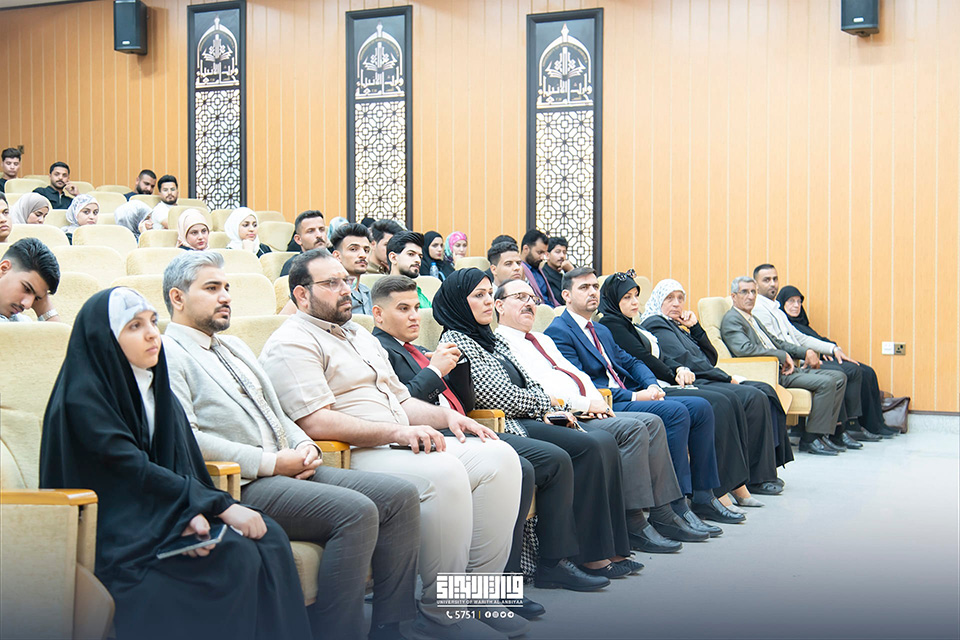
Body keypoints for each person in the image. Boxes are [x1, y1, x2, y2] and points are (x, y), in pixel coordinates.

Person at [258, 248, 524, 640]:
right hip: (349, 455)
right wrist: (397, 433)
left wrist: (448, 418)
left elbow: (402, 402)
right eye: (331, 283)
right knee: (445, 471)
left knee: (501, 458)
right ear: (301, 294)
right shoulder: (291, 341)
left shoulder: (360, 335)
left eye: (346, 281)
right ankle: (441, 614)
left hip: (396, 443)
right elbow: (313, 421)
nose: (345, 289)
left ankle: (477, 597)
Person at [161, 252, 421, 640]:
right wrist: (271, 463)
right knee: (356, 512)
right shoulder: (168, 353)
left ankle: (389, 626)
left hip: (288, 465)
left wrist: (304, 444)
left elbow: (277, 412)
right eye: (212, 288)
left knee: (400, 496)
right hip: (240, 483)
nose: (226, 296)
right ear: (177, 298)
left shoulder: (234, 347)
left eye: (227, 287)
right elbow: (188, 439)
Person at [39, 287, 312, 640]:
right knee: (233, 557)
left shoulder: (155, 386)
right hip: (115, 529)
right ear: (105, 338)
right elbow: (128, 470)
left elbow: (181, 461)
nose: (152, 334)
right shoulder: (82, 399)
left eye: (153, 321)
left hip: (159, 510)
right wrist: (205, 507)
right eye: (134, 326)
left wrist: (189, 513)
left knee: (269, 536)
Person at [370, 275, 607, 604]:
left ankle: (540, 567)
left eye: (415, 308)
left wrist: (448, 373)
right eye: (403, 309)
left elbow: (472, 397)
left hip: (461, 426)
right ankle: (505, 582)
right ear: (378, 314)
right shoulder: (381, 350)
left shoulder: (419, 350)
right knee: (528, 466)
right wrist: (435, 371)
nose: (414, 316)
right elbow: (400, 405)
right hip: (432, 435)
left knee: (553, 458)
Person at [433, 269, 643, 582]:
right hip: (503, 422)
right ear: (458, 302)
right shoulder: (457, 340)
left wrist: (543, 405)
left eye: (489, 293)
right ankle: (561, 560)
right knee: (580, 449)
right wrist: (541, 405)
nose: (487, 300)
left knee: (597, 441)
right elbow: (495, 395)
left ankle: (598, 550)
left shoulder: (489, 337)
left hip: (526, 414)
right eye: (478, 295)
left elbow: (531, 383)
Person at [493, 278, 688, 553]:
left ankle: (663, 512)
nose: (529, 304)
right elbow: (539, 389)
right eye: (519, 297)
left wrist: (597, 400)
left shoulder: (542, 339)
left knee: (652, 423)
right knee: (635, 428)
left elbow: (575, 374)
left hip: (590, 405)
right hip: (563, 412)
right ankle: (632, 521)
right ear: (499, 305)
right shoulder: (501, 343)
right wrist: (586, 404)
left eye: (532, 298)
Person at [545, 267, 742, 534]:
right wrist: (636, 395)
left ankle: (704, 495)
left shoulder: (600, 329)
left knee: (701, 407)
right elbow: (582, 384)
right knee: (676, 412)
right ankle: (675, 505)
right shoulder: (559, 331)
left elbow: (632, 361)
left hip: (630, 392)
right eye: (584, 287)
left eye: (594, 287)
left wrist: (651, 384)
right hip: (605, 402)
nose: (592, 292)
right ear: (566, 295)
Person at [633, 277, 789, 498]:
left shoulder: (676, 325)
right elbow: (687, 360)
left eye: (680, 298)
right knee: (752, 396)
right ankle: (755, 476)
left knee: (765, 391)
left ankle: (766, 468)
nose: (677, 303)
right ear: (658, 300)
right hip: (693, 380)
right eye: (670, 298)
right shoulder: (656, 323)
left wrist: (695, 328)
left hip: (705, 375)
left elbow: (710, 357)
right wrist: (727, 378)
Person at [720, 276, 847, 456]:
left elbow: (777, 342)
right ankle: (811, 439)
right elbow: (744, 349)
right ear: (733, 296)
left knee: (839, 377)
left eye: (753, 292)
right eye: (744, 292)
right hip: (770, 373)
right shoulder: (732, 319)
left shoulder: (751, 318)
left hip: (783, 368)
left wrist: (805, 352)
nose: (750, 296)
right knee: (827, 382)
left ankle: (822, 434)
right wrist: (781, 355)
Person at [754, 263, 873, 447]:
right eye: (766, 280)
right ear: (756, 284)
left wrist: (833, 349)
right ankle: (817, 436)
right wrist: (805, 353)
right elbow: (776, 343)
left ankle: (832, 432)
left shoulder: (776, 309)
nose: (772, 284)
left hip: (798, 360)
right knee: (839, 375)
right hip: (786, 365)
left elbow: (801, 337)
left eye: (775, 279)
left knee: (844, 373)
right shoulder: (759, 310)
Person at [776, 284, 894, 439]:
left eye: (799, 302)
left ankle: (874, 424)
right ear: (782, 303)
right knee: (851, 371)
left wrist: (832, 348)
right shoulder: (782, 321)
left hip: (818, 357)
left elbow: (814, 339)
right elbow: (794, 345)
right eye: (791, 301)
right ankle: (850, 426)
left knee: (867, 372)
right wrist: (815, 353)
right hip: (803, 363)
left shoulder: (801, 323)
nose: (796, 305)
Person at [0, 238, 61, 322]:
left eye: (36, 298)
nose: (28, 305)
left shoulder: (21, 321)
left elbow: (56, 330)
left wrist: (45, 309)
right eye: (27, 289)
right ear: (4, 268)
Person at [330, 222, 373, 315]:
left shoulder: (367, 292)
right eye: (353, 249)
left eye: (366, 250)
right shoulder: (331, 292)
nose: (363, 255)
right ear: (337, 256)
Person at [386, 231, 430, 308]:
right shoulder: (383, 295)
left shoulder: (419, 293)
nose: (418, 260)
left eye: (420, 256)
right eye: (411, 254)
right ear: (393, 258)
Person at [280, 210, 328, 276]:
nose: (319, 235)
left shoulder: (334, 261)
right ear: (298, 239)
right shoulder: (294, 266)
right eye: (310, 231)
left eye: (321, 229)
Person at [519, 229, 560, 307]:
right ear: (526, 249)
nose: (542, 257)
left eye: (544, 253)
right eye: (539, 252)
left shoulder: (538, 269)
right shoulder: (518, 270)